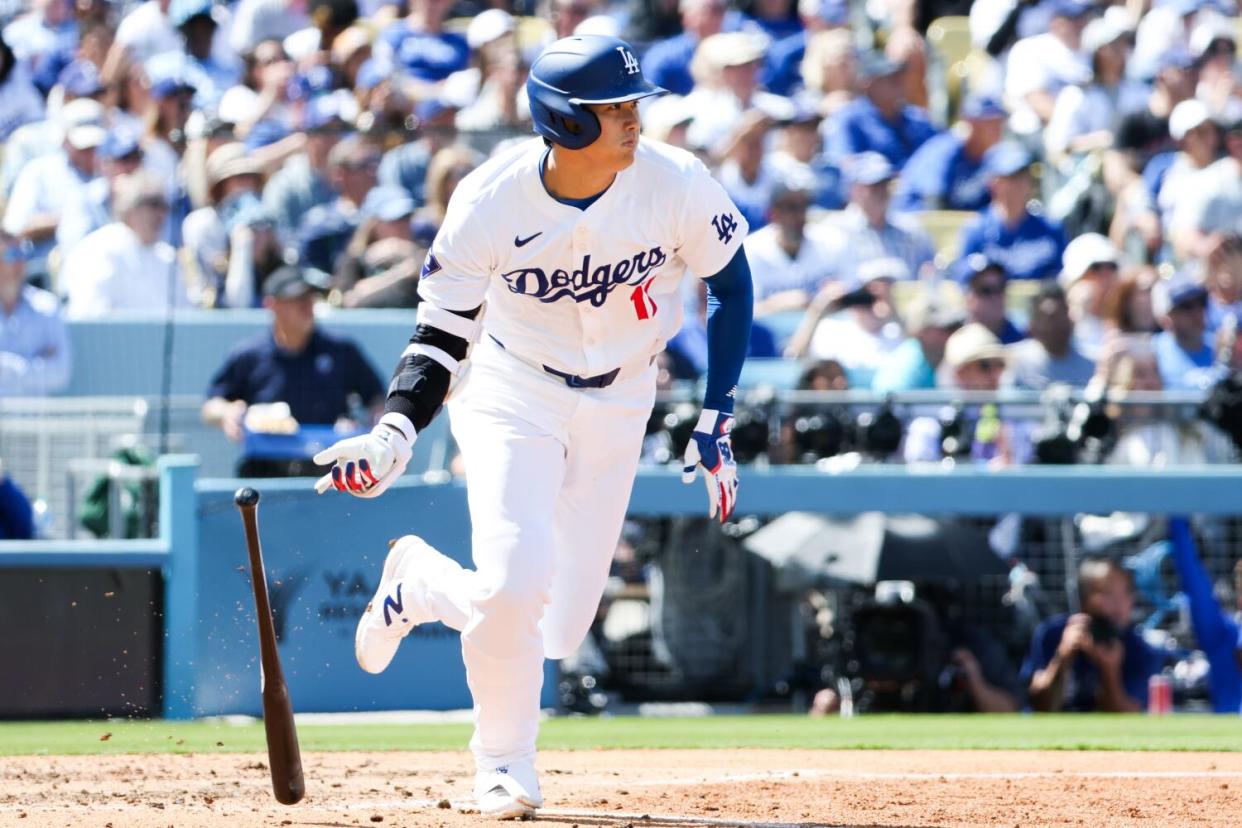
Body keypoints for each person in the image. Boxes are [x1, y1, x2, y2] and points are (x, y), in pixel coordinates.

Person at [311, 35, 752, 819]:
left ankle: (423, 585)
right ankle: (504, 765)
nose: (631, 121)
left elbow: (731, 282)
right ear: (563, 120)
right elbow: (441, 334)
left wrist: (717, 413)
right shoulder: (490, 197)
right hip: (513, 390)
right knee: (513, 587)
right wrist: (394, 434)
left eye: (631, 105)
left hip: (622, 398)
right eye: (611, 109)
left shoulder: (675, 181)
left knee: (553, 633)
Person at [202, 264, 385, 476]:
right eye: (296, 299)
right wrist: (227, 413)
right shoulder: (249, 355)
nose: (307, 306)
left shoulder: (341, 350)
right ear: (272, 305)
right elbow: (211, 406)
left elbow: (376, 399)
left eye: (309, 298)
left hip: (328, 473)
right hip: (265, 473)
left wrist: (373, 426)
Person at [1024, 557, 1160, 712]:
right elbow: (1039, 704)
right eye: (1107, 593)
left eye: (1126, 593)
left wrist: (1109, 672)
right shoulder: (1052, 634)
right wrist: (1062, 658)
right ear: (1083, 597)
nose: (1119, 603)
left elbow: (1129, 717)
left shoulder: (1138, 649)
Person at [62, 171, 190, 318]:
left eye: (165, 206)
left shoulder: (167, 256)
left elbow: (185, 315)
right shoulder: (98, 249)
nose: (162, 214)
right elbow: (91, 316)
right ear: (130, 207)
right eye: (154, 204)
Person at [955, 142, 1066, 282]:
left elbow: (1061, 279)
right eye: (1012, 177)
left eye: (1024, 175)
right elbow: (964, 282)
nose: (1021, 184)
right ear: (993, 182)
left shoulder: (1050, 229)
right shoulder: (976, 230)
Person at [824, 50, 938, 172]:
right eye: (891, 79)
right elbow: (844, 164)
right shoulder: (848, 119)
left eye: (900, 77)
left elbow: (939, 153)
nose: (899, 84)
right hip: (875, 188)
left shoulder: (917, 118)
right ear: (868, 84)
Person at [893, 93, 1006, 213]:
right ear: (969, 122)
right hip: (913, 218)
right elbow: (935, 204)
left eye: (999, 121)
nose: (997, 128)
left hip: (950, 221)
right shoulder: (945, 151)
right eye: (989, 122)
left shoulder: (990, 158)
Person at [0, 231, 70, 396]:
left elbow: (60, 373)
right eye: (10, 255)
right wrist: (36, 364)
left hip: (35, 421)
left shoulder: (46, 306)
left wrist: (9, 368)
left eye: (22, 254)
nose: (19, 262)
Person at [1007, 282, 1095, 390]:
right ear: (1033, 323)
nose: (1056, 324)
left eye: (1062, 314)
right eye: (1049, 317)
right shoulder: (1012, 360)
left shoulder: (1094, 364)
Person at [1151, 272, 1216, 391]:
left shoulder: (1223, 350)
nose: (1197, 313)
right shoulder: (1152, 352)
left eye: (1201, 303)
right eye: (1186, 306)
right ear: (1166, 317)